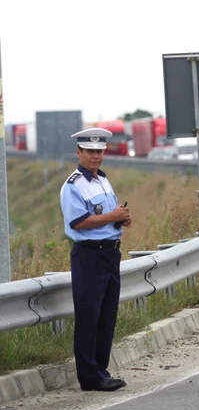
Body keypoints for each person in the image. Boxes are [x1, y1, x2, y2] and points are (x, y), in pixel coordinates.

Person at [59, 128, 132, 392]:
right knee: (89, 317)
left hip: (110, 253)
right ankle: (89, 376)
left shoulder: (102, 180)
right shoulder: (74, 185)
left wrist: (122, 218)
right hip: (90, 255)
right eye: (90, 152)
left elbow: (108, 215)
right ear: (79, 152)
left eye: (99, 151)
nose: (95, 156)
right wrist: (112, 217)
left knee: (106, 317)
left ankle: (101, 371)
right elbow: (79, 223)